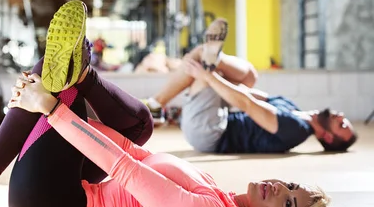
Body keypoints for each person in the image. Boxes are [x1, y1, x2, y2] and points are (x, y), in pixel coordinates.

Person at [0, 0, 358, 207]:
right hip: (73, 193)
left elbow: (125, 170)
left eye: (288, 205)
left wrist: (53, 111)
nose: (280, 190)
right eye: (292, 188)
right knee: (138, 121)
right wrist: (55, 107)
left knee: (56, 86)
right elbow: (134, 149)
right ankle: (83, 74)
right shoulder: (219, 196)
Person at [144, 19, 358, 153]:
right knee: (249, 75)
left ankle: (155, 105)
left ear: (327, 137)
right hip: (215, 120)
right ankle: (214, 59)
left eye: (342, 125)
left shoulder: (294, 129)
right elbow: (248, 91)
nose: (340, 116)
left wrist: (207, 76)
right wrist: (218, 75)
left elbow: (245, 103)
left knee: (201, 59)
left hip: (209, 133)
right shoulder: (292, 107)